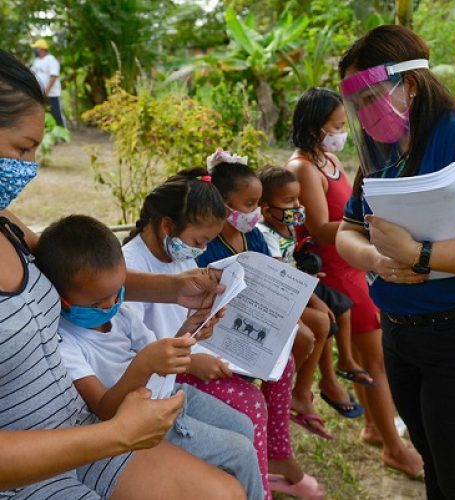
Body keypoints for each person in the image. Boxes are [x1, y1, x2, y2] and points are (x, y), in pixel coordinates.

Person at [0, 48, 244, 499]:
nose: (29, 167)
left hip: (78, 427)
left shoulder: (6, 221)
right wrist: (117, 434)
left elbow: (71, 272)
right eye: (22, 149)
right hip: (28, 467)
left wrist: (174, 289)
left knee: (224, 492)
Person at [335, 24, 455, 499]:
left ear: (408, 83)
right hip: (401, 335)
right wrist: (374, 257)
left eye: (370, 98)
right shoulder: (382, 152)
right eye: (357, 104)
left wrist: (420, 255)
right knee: (435, 464)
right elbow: (348, 229)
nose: (364, 115)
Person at [36, 214, 264, 499]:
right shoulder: (65, 343)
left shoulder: (121, 313)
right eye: (97, 302)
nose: (110, 305)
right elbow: (105, 411)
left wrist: (188, 333)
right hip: (144, 418)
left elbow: (158, 351)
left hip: (169, 393)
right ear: (59, 297)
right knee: (241, 454)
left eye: (117, 293)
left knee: (242, 424)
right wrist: (142, 365)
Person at [286, 87, 423, 479]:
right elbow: (321, 228)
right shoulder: (303, 169)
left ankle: (373, 428)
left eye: (343, 125)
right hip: (335, 272)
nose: (341, 133)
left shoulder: (327, 159)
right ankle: (395, 448)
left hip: (351, 265)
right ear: (314, 129)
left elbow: (348, 211)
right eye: (335, 126)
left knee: (367, 357)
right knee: (375, 359)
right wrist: (373, 224)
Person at [190, 149, 325, 500]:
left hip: (242, 332)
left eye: (257, 204)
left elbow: (272, 288)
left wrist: (291, 325)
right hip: (208, 340)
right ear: (221, 203)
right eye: (248, 204)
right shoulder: (203, 246)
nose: (254, 213)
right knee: (252, 401)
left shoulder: (255, 238)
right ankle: (261, 478)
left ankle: (278, 456)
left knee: (285, 364)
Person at [257, 166, 365, 431]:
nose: (298, 206)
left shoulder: (286, 227)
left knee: (340, 307)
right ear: (265, 209)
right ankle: (300, 390)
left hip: (298, 286)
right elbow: (277, 277)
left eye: (298, 199)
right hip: (283, 293)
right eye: (288, 201)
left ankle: (341, 365)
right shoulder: (265, 235)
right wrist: (312, 296)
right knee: (321, 320)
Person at [30, 38, 66, 127]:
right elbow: (32, 74)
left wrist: (47, 91)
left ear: (41, 49)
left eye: (36, 48)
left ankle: (62, 132)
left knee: (56, 113)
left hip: (52, 93)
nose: (35, 50)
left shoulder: (51, 59)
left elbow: (53, 76)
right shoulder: (36, 61)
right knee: (44, 114)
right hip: (40, 93)